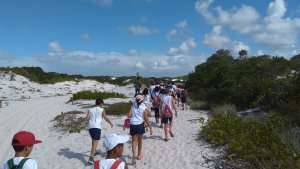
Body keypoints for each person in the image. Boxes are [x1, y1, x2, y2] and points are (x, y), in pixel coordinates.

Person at [127, 95, 153, 164]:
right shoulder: (143, 107)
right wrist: (150, 128)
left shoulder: (132, 107)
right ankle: (139, 155)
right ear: (142, 101)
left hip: (133, 124)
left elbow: (128, 116)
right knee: (140, 141)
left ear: (136, 100)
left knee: (133, 141)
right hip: (140, 125)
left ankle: (133, 155)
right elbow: (146, 119)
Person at [86, 98, 113, 165]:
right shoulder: (102, 109)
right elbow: (105, 117)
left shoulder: (90, 109)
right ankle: (91, 158)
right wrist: (110, 122)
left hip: (91, 127)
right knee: (95, 142)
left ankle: (94, 152)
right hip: (97, 127)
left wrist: (89, 123)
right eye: (102, 104)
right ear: (101, 103)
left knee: (93, 140)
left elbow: (87, 118)